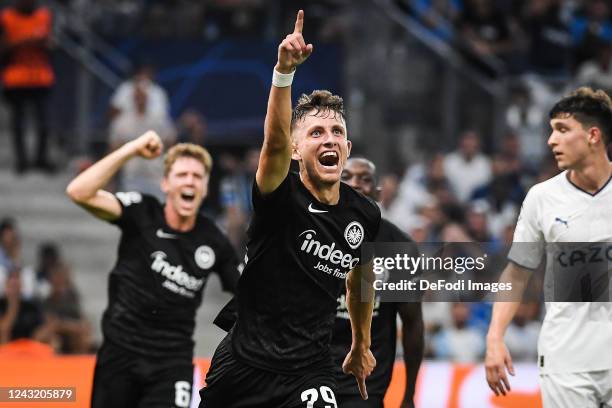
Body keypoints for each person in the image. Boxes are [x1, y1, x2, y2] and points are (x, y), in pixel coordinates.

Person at [198, 10, 381, 407]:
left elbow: (359, 280)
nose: (329, 139)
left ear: (347, 150)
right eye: (315, 132)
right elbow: (275, 142)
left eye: (337, 132)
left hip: (309, 371)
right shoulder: (280, 196)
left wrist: (360, 343)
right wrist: (284, 73)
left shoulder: (364, 215)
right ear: (297, 150)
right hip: (244, 364)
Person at [65, 131, 240, 408]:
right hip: (119, 357)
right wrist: (131, 149)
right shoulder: (142, 213)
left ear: (205, 188)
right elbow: (78, 191)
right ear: (165, 183)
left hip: (172, 365)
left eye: (197, 177)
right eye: (182, 175)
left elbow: (249, 292)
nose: (190, 182)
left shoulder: (214, 240)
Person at [485, 87, 612, 407]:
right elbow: (516, 274)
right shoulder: (542, 198)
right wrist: (495, 337)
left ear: (593, 135)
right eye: (551, 130)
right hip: (565, 363)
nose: (550, 141)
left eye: (562, 130)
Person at [333, 157, 424, 408]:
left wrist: (409, 394)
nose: (355, 184)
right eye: (347, 177)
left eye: (365, 179)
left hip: (365, 387)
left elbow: (413, 324)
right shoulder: (310, 235)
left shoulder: (400, 247)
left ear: (378, 192)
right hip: (312, 378)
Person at [0, 0, 55, 174]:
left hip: (41, 77)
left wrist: (43, 43)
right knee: (18, 123)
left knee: (44, 122)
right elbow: (2, 49)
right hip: (16, 78)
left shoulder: (44, 15)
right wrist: (22, 41)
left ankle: (41, 159)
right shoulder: (6, 17)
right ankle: (21, 161)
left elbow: (52, 45)